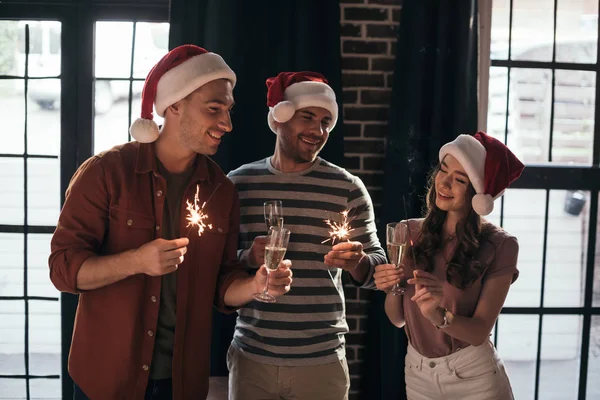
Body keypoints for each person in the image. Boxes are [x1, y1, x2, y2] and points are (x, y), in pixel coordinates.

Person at [48, 45, 292, 400]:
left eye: (228, 110)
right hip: (106, 380)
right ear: (174, 105)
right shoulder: (105, 172)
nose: (227, 124)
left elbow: (221, 284)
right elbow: (62, 270)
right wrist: (136, 261)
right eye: (214, 109)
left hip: (181, 384)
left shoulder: (221, 191)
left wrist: (256, 285)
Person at [226, 71, 387, 400]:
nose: (318, 131)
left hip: (321, 363)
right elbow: (216, 266)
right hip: (252, 358)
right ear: (281, 118)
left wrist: (357, 261)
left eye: (326, 121)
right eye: (307, 117)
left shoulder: (347, 188)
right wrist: (247, 258)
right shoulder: (238, 184)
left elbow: (377, 269)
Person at [373, 132, 525, 400]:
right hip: (418, 374)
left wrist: (438, 315)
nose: (444, 183)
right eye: (443, 170)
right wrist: (390, 288)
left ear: (478, 193)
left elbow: (478, 331)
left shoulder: (501, 246)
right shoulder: (407, 232)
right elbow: (397, 319)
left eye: (460, 180)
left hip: (474, 377)